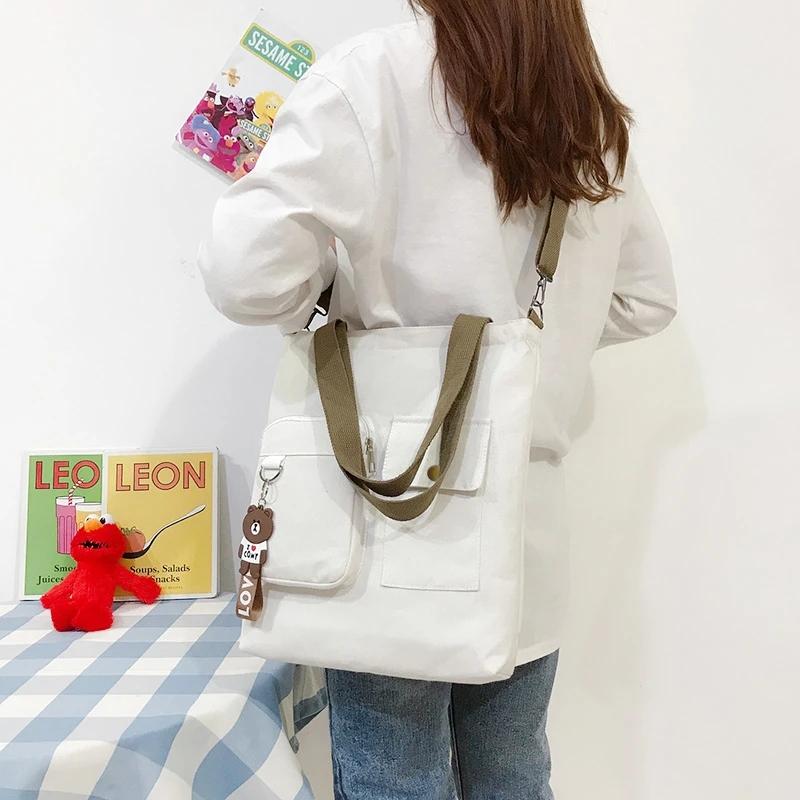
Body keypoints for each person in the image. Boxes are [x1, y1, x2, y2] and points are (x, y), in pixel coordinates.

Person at [198, 1, 677, 797]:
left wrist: (328, 294)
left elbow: (245, 275)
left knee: (394, 779)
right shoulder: (587, 115)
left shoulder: (369, 75)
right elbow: (646, 300)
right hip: (524, 534)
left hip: (385, 516)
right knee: (512, 774)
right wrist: (539, 351)